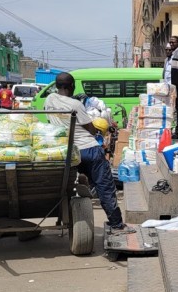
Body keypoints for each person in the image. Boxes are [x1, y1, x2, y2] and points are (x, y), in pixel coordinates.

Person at [45, 72, 132, 234]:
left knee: (76, 181)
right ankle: (117, 225)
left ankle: (83, 188)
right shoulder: (76, 105)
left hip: (68, 151)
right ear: (72, 86)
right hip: (88, 149)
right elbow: (91, 130)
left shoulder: (49, 101)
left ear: (57, 87)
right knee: (105, 186)